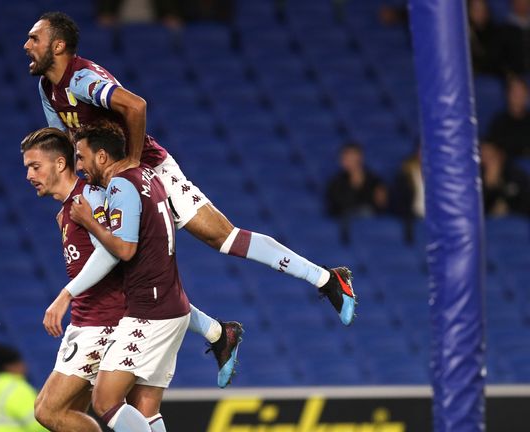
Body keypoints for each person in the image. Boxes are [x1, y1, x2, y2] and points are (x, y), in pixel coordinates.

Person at [23, 11, 357, 327]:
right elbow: (67, 142)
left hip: (147, 167)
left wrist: (134, 165)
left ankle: (326, 278)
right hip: (110, 177)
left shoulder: (81, 79)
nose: (27, 46)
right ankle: (217, 333)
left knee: (222, 237)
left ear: (59, 45)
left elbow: (136, 105)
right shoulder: (47, 89)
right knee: (129, 266)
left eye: (34, 39)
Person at [21, 127, 242, 431]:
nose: (29, 176)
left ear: (60, 164)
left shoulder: (91, 197)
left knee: (50, 411)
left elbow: (112, 253)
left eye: (35, 166)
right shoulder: (71, 206)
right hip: (97, 318)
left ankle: (217, 331)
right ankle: (217, 331)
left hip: (101, 322)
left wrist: (65, 296)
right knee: (139, 410)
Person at [63, 122, 190, 431]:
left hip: (151, 311)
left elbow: (126, 249)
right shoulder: (148, 173)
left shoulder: (121, 185)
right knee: (145, 408)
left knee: (105, 400)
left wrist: (89, 222)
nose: (78, 166)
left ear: (103, 157)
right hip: (173, 306)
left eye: (81, 157)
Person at [325, 142, 388, 219]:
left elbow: (380, 205)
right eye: (344, 158)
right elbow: (335, 207)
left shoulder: (375, 180)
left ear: (360, 158)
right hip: (345, 220)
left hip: (370, 220)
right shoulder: (336, 182)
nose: (346, 161)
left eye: (351, 158)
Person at [480, 140, 530, 216]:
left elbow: (526, 201)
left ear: (500, 156)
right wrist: (489, 187)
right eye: (483, 157)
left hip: (516, 220)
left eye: (490, 156)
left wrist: (508, 207)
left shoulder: (514, 174)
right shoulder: (475, 179)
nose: (487, 161)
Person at [487, 77, 530, 159]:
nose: (518, 96)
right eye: (514, 92)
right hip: (503, 162)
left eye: (521, 92)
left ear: (527, 95)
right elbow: (492, 144)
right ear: (508, 94)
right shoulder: (500, 120)